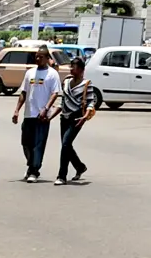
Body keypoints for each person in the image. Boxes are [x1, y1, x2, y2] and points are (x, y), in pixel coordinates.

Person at [13, 48, 62, 181]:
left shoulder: (52, 74)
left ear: (47, 58)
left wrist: (46, 108)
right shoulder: (30, 72)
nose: (38, 59)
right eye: (37, 56)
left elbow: (55, 93)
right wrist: (17, 110)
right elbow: (24, 92)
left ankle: (34, 171)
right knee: (26, 143)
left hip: (42, 115)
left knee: (38, 145)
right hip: (29, 114)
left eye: (41, 57)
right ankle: (31, 165)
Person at [55, 56, 102, 185]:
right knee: (66, 146)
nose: (71, 69)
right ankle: (80, 167)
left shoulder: (87, 84)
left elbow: (90, 102)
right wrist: (50, 116)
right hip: (64, 117)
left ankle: (61, 176)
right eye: (71, 67)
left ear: (81, 70)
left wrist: (85, 117)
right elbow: (62, 102)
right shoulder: (66, 82)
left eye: (74, 67)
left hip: (76, 118)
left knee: (65, 144)